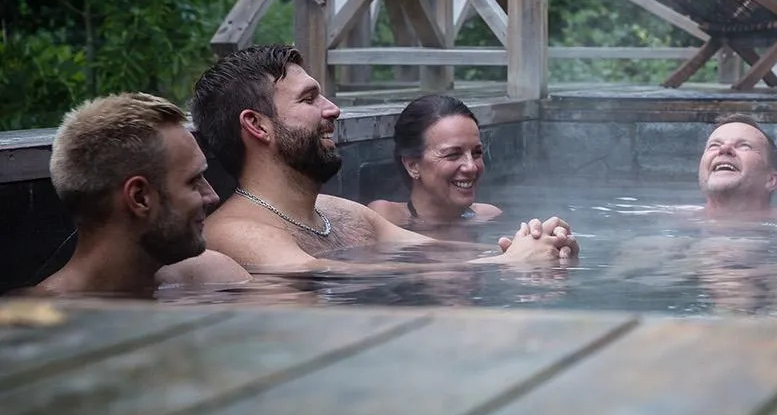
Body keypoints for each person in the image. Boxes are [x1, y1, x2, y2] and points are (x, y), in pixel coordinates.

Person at [191, 44, 575, 274]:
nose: (333, 110)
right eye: (309, 99)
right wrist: (507, 267)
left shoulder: (341, 213)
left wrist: (537, 244)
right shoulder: (234, 232)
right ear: (257, 125)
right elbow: (335, 276)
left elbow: (447, 253)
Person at [31, 93, 250, 298]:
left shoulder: (213, 277)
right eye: (194, 182)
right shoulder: (35, 325)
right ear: (140, 197)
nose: (212, 197)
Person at [370, 94, 503, 238]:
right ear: (413, 165)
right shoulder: (385, 218)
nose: (471, 167)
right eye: (453, 154)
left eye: (476, 153)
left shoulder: (489, 217)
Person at [698, 113, 777, 218]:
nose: (724, 149)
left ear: (770, 180)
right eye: (714, 145)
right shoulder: (673, 219)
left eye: (744, 146)